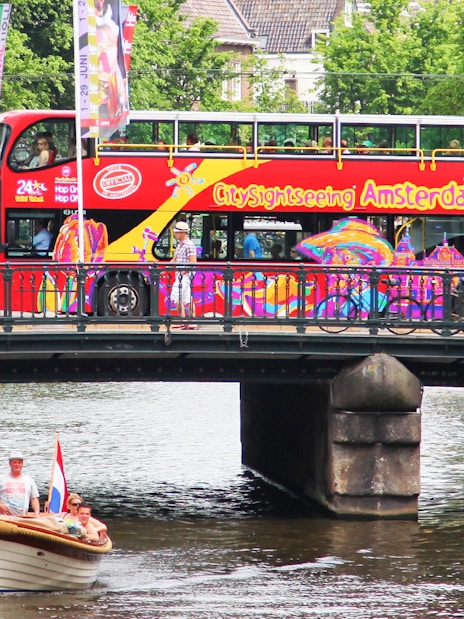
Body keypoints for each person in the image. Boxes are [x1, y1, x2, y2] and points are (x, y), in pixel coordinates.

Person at [170, 220, 197, 328]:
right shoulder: (180, 244)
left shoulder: (189, 245)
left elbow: (193, 262)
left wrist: (183, 272)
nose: (175, 234)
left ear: (183, 233)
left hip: (185, 275)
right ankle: (191, 321)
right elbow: (175, 259)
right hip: (181, 275)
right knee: (186, 298)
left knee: (177, 297)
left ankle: (184, 321)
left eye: (177, 232)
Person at [0, 451, 40, 516]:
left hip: (22, 518)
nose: (17, 465)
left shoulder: (29, 480)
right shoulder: (1, 479)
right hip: (4, 518)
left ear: (22, 464)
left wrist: (37, 513)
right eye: (14, 462)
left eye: (19, 462)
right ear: (10, 464)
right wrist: (1, 506)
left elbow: (34, 498)